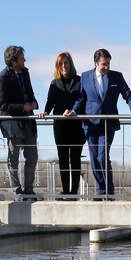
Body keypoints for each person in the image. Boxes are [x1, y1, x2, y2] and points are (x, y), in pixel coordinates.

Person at [70, 48, 131, 197]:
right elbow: (81, 98)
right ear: (96, 63)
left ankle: (109, 191)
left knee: (102, 155)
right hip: (90, 123)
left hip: (108, 123)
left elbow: (127, 94)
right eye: (104, 64)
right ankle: (100, 191)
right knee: (94, 158)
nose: (107, 67)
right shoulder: (85, 77)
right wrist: (74, 111)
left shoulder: (116, 76)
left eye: (108, 64)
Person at [0, 45, 41, 199]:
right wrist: (23, 107)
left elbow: (30, 92)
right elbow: (3, 105)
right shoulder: (2, 78)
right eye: (21, 58)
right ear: (14, 61)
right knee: (13, 158)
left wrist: (33, 103)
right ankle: (17, 190)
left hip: (28, 123)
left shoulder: (25, 73)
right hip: (13, 125)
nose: (25, 60)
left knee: (32, 156)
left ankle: (28, 190)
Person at [44, 51, 85, 198]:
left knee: (75, 157)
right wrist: (45, 112)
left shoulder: (80, 81)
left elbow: (82, 100)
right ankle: (65, 191)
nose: (64, 66)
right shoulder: (54, 83)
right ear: (57, 66)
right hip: (60, 125)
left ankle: (74, 191)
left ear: (70, 64)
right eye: (61, 63)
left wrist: (74, 111)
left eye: (66, 63)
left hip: (76, 125)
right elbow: (50, 102)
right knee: (62, 158)